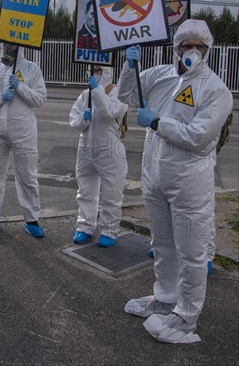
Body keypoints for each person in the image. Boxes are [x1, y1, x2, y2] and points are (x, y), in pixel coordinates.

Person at [117, 19, 233, 344]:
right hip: (154, 178)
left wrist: (155, 120)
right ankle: (166, 298)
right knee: (164, 246)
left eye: (199, 47)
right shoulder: (159, 75)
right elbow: (125, 94)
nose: (192, 52)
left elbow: (198, 136)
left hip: (189, 185)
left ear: (207, 50)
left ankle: (187, 317)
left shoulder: (216, 90)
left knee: (192, 253)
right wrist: (129, 66)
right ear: (176, 47)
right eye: (186, 46)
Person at [0, 43, 47, 238]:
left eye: (12, 43)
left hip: (24, 133)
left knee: (27, 176)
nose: (8, 46)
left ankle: (32, 219)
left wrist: (21, 87)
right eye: (5, 42)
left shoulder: (32, 69)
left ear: (20, 44)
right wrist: (1, 97)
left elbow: (40, 99)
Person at [70, 65, 128, 247]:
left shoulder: (118, 92)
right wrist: (83, 119)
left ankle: (109, 230)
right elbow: (74, 120)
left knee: (112, 191)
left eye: (99, 69)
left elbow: (109, 112)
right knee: (86, 189)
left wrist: (96, 90)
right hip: (86, 147)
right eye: (93, 69)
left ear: (108, 70)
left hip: (109, 149)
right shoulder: (85, 94)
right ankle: (85, 226)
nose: (95, 73)